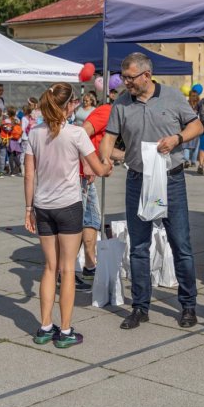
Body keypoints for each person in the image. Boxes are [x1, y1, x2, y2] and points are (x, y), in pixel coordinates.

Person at [99, 52, 203, 330]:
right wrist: (105, 159)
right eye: (123, 78)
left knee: (180, 244)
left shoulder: (172, 97)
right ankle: (140, 307)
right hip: (138, 180)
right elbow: (109, 136)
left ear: (147, 75)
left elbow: (197, 125)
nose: (125, 83)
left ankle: (188, 305)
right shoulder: (121, 102)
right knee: (139, 247)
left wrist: (178, 138)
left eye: (130, 77)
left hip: (171, 180)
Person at [24, 82, 112, 348]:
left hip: (43, 205)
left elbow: (30, 174)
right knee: (67, 270)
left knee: (49, 268)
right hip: (69, 206)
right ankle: (64, 331)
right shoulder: (75, 133)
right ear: (70, 104)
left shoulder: (35, 133)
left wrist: (28, 209)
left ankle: (44, 326)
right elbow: (96, 167)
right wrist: (108, 166)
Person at [79, 103, 125, 281]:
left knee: (92, 220)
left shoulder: (115, 118)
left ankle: (90, 267)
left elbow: (104, 147)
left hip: (87, 176)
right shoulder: (108, 111)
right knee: (75, 225)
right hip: (79, 173)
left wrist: (132, 155)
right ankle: (63, 273)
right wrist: (86, 164)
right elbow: (82, 133)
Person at [183, 89, 201, 168]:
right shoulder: (199, 105)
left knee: (186, 145)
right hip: (196, 127)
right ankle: (193, 161)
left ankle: (186, 160)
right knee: (196, 146)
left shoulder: (186, 104)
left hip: (187, 127)